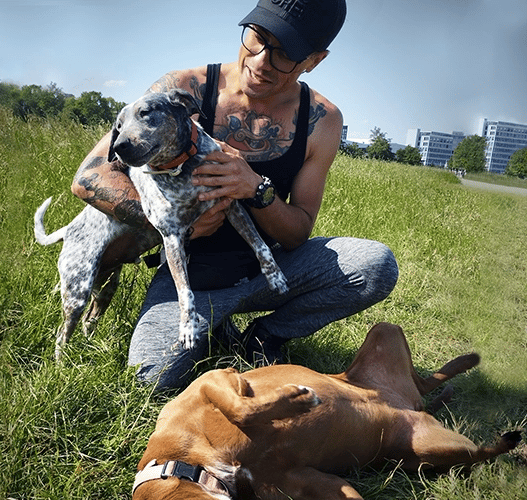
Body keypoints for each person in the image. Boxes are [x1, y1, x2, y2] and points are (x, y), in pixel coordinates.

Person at [71, 0, 398, 391]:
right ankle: (216, 325)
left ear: (314, 60)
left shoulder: (322, 120)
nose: (261, 62)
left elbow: (297, 233)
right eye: (257, 38)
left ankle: (267, 336)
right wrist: (177, 224)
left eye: (285, 54)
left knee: (376, 265)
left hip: (270, 267)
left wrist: (256, 188)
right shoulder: (185, 88)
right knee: (150, 378)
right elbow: (89, 177)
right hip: (191, 275)